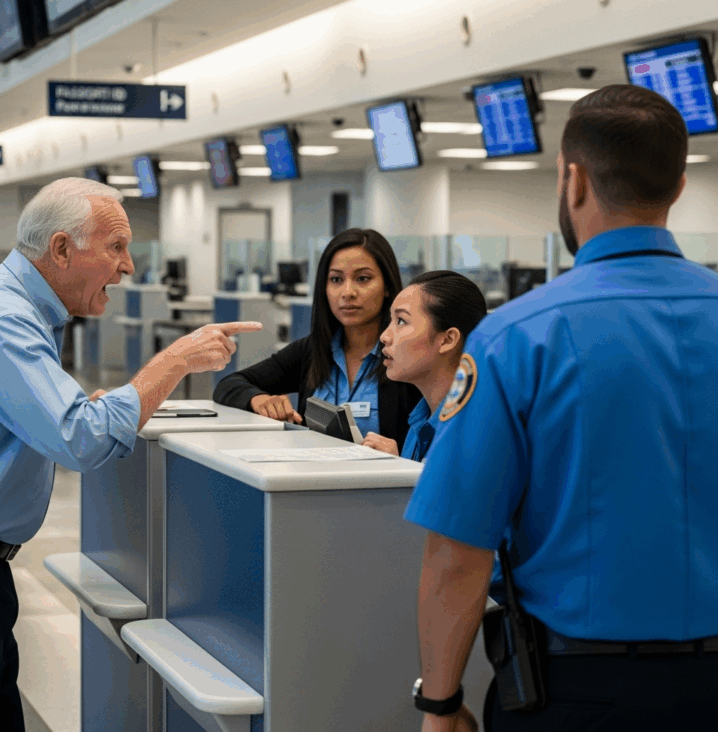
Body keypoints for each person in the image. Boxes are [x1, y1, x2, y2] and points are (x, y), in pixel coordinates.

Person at [404, 84, 718, 732]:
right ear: (679, 186)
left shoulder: (516, 338)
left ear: (573, 181)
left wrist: (440, 703)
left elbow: (458, 553)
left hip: (572, 694)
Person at [0, 177, 261, 730]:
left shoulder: (24, 311)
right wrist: (176, 361)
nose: (128, 267)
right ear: (62, 249)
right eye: (116, 246)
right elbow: (80, 437)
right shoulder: (8, 321)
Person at [214, 228, 421, 450]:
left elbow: (439, 439)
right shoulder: (312, 351)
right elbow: (228, 385)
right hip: (312, 471)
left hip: (385, 473)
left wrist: (403, 457)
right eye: (336, 279)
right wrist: (260, 400)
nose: (348, 292)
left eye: (363, 278)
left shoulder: (408, 354)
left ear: (387, 286)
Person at [360, 270, 486, 461]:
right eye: (390, 321)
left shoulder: (472, 433)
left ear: (447, 340)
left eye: (401, 321)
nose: (384, 336)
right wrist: (400, 466)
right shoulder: (421, 418)